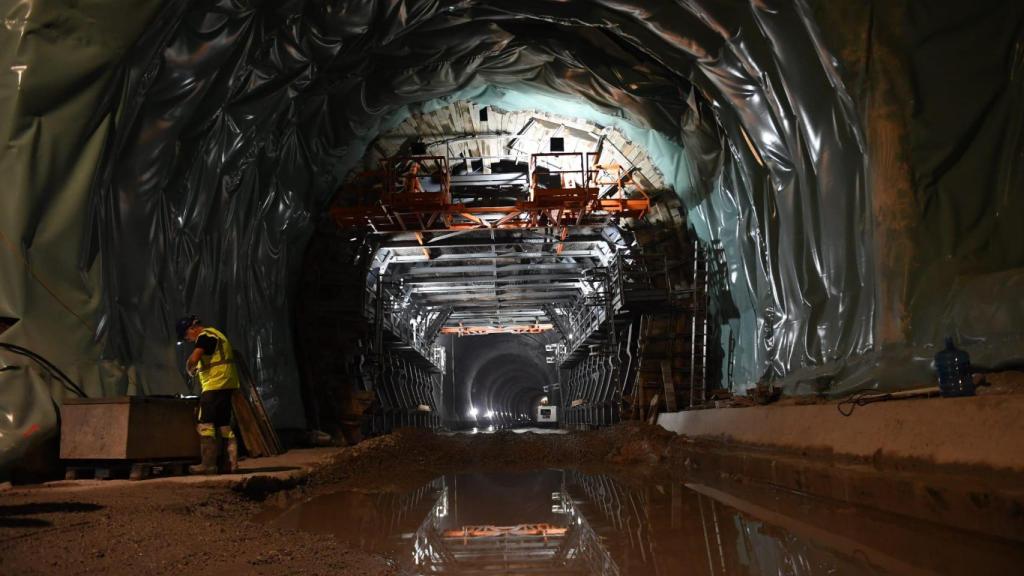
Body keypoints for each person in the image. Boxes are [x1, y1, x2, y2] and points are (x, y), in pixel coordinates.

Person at [175, 315, 239, 475]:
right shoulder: (217, 334)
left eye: (186, 336)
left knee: (206, 424)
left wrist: (189, 367)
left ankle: (208, 464)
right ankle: (231, 464)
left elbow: (195, 357)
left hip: (215, 383)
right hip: (227, 383)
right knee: (224, 425)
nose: (188, 340)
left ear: (192, 328)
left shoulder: (205, 335)